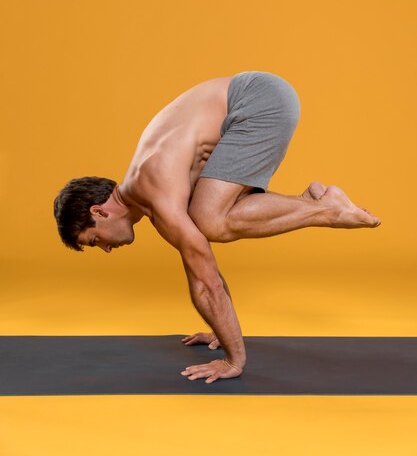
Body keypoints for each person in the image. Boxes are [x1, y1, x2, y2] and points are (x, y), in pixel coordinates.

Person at [54, 71, 381, 384]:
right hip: (257, 99)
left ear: (100, 211)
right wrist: (220, 328)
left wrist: (233, 359)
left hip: (259, 101)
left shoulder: (154, 189)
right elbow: (198, 267)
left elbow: (206, 280)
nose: (107, 248)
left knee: (210, 220)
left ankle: (326, 208)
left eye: (95, 239)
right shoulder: (152, 194)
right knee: (205, 219)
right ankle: (318, 204)